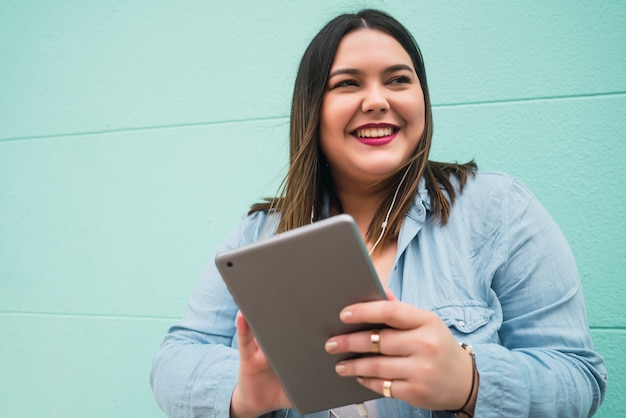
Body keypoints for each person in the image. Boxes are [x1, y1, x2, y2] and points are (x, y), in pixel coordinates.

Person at [150, 9, 607, 418]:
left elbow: (579, 379)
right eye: (348, 83)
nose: (377, 100)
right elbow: (174, 360)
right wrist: (244, 396)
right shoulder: (258, 232)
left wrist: (469, 381)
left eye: (398, 80)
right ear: (312, 108)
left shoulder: (499, 210)